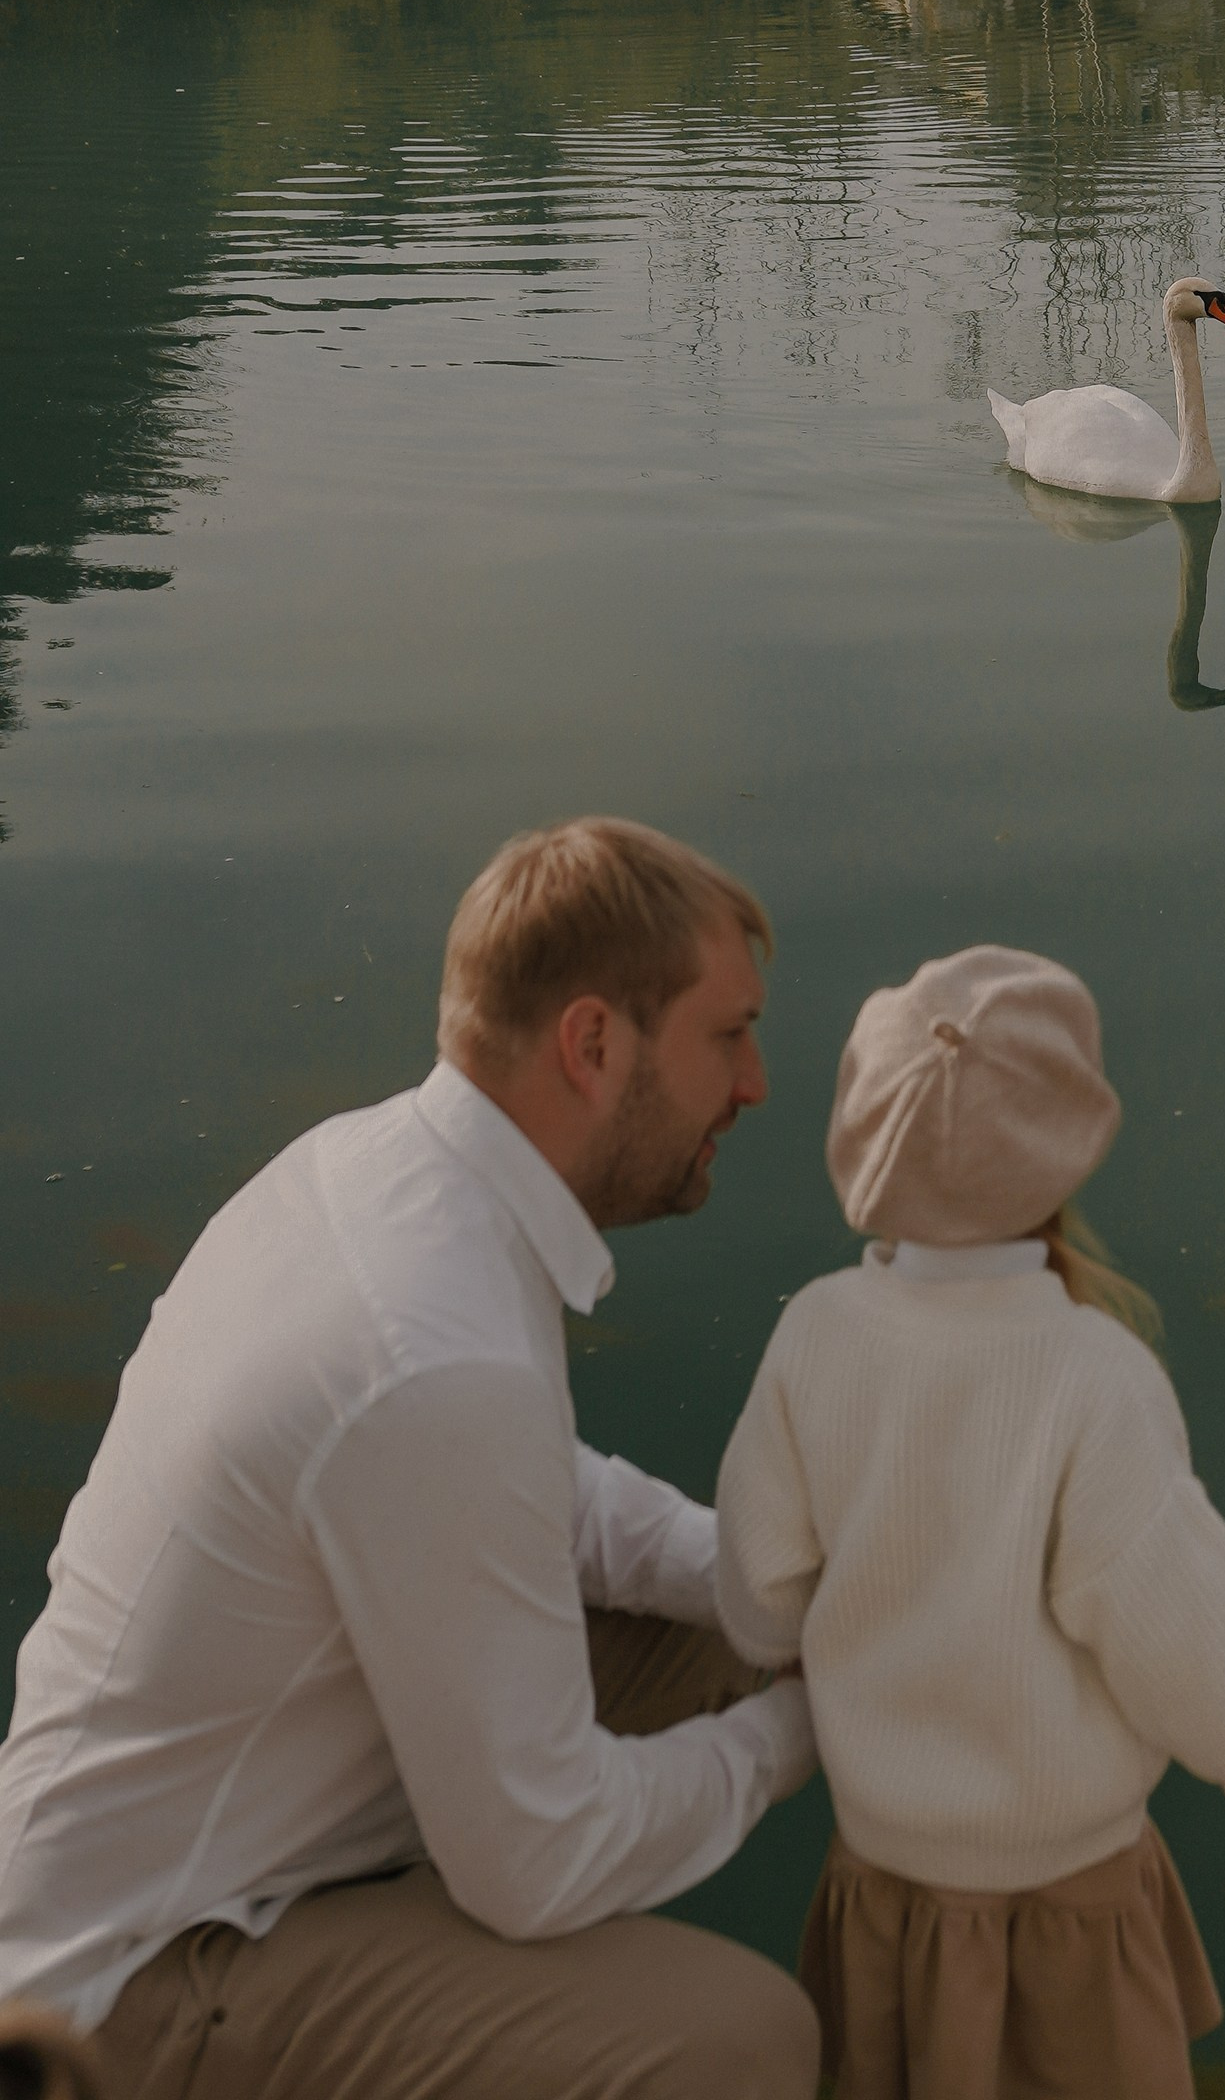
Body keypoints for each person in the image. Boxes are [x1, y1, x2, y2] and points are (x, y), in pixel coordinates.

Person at [0, 818, 822, 2100]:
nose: (759, 1080)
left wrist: (779, 1581)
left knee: (760, 1620)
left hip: (177, 1855)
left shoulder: (379, 1176)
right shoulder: (432, 1349)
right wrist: (800, 1732)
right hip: (132, 1983)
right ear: (594, 1044)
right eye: (728, 1034)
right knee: (737, 2039)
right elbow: (537, 1863)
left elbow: (537, 1482)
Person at [716, 942, 1225, 2100]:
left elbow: (759, 1599)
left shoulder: (814, 1334)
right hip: (1066, 1911)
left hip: (877, 1894)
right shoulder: (1093, 1375)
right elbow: (1186, 1643)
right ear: (1065, 1145)